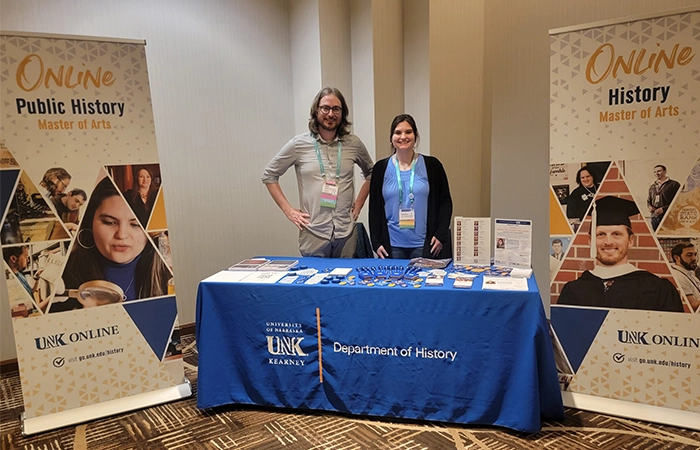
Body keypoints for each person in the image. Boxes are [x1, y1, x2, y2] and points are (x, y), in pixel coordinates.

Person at [262, 87, 373, 257]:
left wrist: (359, 203)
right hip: (314, 232)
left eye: (336, 109)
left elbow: (372, 173)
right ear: (316, 110)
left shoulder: (354, 144)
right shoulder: (298, 144)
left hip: (346, 233)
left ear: (342, 113)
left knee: (345, 281)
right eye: (325, 108)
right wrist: (289, 211)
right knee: (315, 282)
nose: (331, 114)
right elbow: (269, 175)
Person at [53, 177, 171, 312]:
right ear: (90, 223)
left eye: (135, 224)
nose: (121, 234)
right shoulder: (64, 276)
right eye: (109, 222)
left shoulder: (169, 274)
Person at [557, 196, 683, 312]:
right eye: (600, 235)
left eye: (617, 234)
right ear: (590, 241)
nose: (608, 242)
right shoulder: (573, 290)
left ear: (631, 240)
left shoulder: (659, 290)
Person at [368, 114, 452, 259]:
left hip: (424, 245)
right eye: (398, 132)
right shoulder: (380, 169)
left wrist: (440, 234)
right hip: (392, 246)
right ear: (391, 138)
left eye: (408, 132)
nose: (403, 136)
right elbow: (374, 208)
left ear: (415, 136)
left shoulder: (432, 166)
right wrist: (376, 242)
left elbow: (445, 203)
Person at [647, 164, 680, 231]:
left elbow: (678, 202)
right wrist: (649, 207)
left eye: (659, 171)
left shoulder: (674, 184)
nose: (656, 173)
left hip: (669, 217)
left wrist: (664, 209)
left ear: (665, 171)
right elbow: (648, 201)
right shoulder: (652, 187)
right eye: (655, 172)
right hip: (654, 217)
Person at [669, 242, 700, 312]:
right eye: (689, 255)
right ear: (677, 258)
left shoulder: (689, 273)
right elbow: (692, 306)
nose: (694, 258)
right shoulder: (678, 276)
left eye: (695, 254)